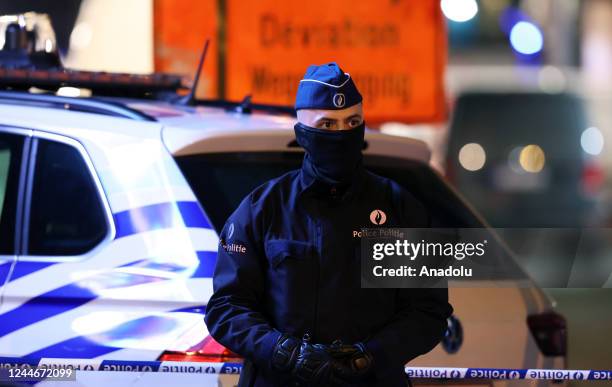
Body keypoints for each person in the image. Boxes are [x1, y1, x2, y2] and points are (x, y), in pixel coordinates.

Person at [205, 62, 453, 387]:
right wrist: (283, 352)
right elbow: (227, 307)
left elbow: (428, 311)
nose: (341, 134)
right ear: (302, 135)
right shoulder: (262, 208)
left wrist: (370, 356)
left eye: (352, 122)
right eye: (327, 124)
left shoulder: (400, 208)